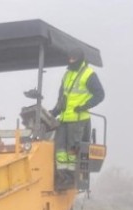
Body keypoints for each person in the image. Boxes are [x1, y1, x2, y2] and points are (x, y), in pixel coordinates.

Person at [50, 47, 105, 190]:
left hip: (79, 120)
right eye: (69, 58)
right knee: (60, 149)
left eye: (73, 59)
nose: (70, 61)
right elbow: (62, 98)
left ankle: (70, 179)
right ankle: (62, 177)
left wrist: (85, 106)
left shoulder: (88, 74)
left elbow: (100, 95)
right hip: (65, 118)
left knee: (72, 151)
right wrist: (54, 111)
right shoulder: (67, 74)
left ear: (79, 59)